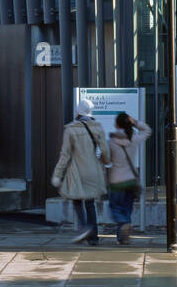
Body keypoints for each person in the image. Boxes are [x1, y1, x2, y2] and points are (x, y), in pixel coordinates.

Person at [52, 98, 109, 245]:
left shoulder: (71, 129)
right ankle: (94, 239)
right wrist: (107, 162)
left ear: (78, 110)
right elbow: (105, 150)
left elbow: (65, 155)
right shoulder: (97, 127)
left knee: (77, 200)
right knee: (90, 203)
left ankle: (84, 228)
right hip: (93, 170)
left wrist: (57, 175)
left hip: (77, 170)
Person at [106, 111, 152, 245]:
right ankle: (122, 238)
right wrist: (135, 122)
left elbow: (107, 160)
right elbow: (147, 130)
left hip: (116, 181)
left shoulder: (111, 142)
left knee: (115, 208)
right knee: (126, 208)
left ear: (116, 125)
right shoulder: (134, 139)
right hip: (131, 180)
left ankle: (124, 224)